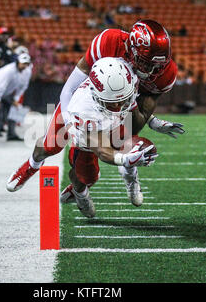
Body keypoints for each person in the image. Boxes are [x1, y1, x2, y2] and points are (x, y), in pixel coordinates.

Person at [6, 20, 184, 197]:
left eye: (158, 64)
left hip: (121, 108)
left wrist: (151, 121)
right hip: (87, 102)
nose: (153, 70)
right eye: (147, 63)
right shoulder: (109, 42)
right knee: (50, 144)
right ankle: (32, 165)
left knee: (113, 149)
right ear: (132, 50)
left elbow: (143, 110)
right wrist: (70, 121)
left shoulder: (165, 73)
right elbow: (69, 88)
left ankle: (100, 181)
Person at [61, 57, 157, 216]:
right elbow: (101, 149)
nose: (117, 107)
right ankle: (79, 192)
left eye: (121, 100)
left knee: (131, 144)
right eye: (111, 102)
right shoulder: (82, 108)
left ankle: (131, 178)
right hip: (89, 140)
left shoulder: (128, 79)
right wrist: (125, 159)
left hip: (114, 124)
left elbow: (131, 106)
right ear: (96, 94)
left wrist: (153, 121)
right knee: (87, 177)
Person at [0, 53, 32, 142]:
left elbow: (23, 86)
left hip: (6, 91)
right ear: (17, 62)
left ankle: (11, 134)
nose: (24, 66)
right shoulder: (9, 70)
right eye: (23, 63)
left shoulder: (28, 71)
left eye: (26, 64)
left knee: (15, 108)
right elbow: (0, 85)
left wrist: (16, 99)